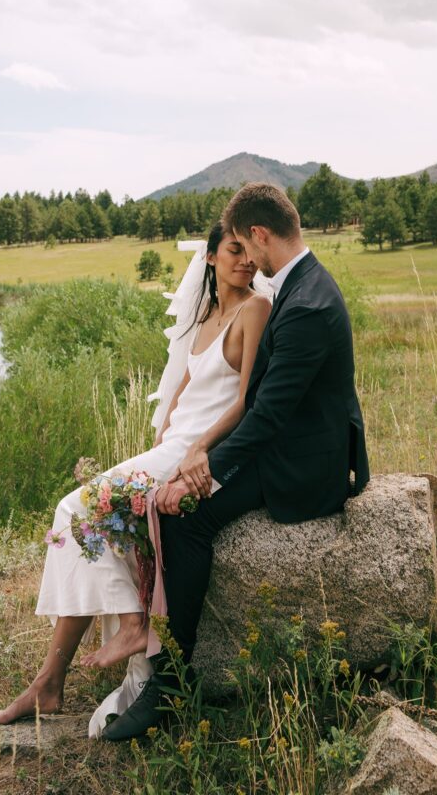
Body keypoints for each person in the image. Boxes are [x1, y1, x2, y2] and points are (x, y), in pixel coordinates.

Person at [100, 182, 370, 741]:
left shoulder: (308, 305)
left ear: (262, 233)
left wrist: (207, 471)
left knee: (185, 516)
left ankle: (172, 683)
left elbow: (267, 417)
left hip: (302, 469)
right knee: (178, 497)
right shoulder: (303, 286)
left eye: (251, 246)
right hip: (286, 446)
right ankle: (163, 669)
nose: (250, 259)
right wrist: (199, 450)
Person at [0, 222, 272, 732]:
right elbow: (185, 390)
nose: (244, 261)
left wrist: (197, 448)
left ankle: (126, 631)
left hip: (201, 455)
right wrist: (161, 439)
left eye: (250, 252)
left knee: (75, 509)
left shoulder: (255, 310)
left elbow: (248, 401)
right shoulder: (206, 316)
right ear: (209, 258)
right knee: (84, 517)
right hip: (175, 447)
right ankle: (50, 681)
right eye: (233, 250)